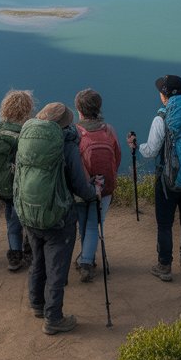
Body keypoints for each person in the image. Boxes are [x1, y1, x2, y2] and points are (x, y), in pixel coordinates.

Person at [15, 102, 100, 335]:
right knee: (57, 268)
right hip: (57, 216)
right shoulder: (66, 144)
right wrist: (93, 193)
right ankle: (53, 318)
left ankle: (37, 304)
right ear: (64, 125)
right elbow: (79, 183)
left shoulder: (26, 139)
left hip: (30, 212)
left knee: (37, 259)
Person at [127, 74, 181, 282]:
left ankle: (164, 266)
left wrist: (136, 146)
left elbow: (151, 151)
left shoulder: (162, 117)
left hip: (167, 180)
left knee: (165, 224)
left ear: (164, 95)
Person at [72, 88, 121, 283]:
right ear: (98, 107)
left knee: (83, 223)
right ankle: (87, 260)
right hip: (104, 187)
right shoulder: (108, 130)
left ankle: (86, 259)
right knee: (94, 224)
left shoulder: (75, 132)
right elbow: (117, 157)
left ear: (79, 110)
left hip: (80, 187)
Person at [0, 89, 35, 272]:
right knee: (27, 220)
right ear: (27, 110)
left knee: (11, 222)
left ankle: (15, 256)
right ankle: (29, 251)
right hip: (22, 187)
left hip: (4, 187)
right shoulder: (24, 134)